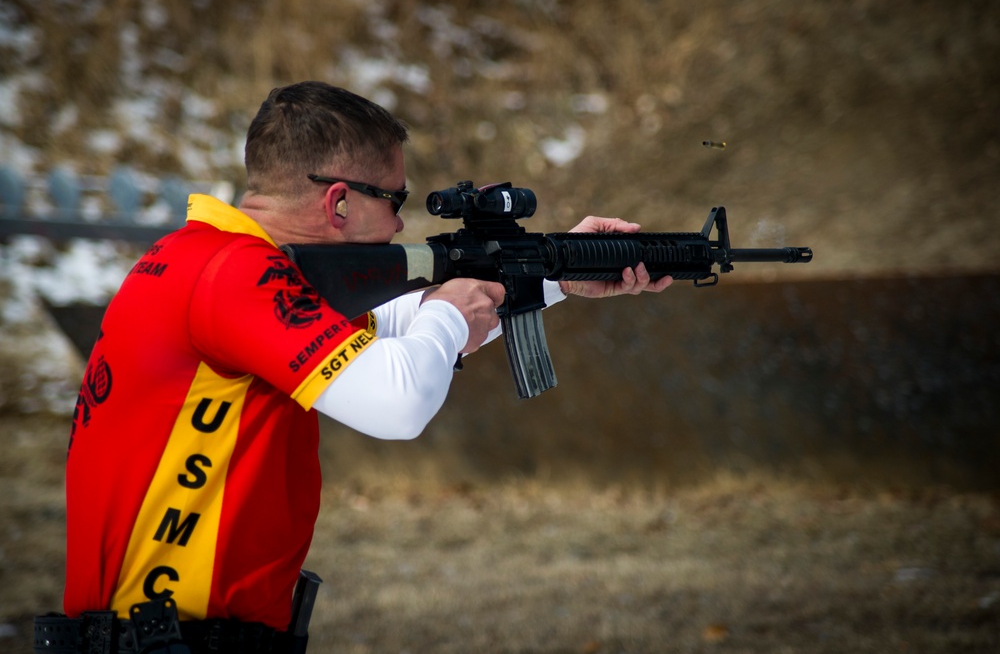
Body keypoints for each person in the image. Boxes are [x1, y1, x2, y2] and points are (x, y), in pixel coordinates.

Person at [48, 81, 672, 653]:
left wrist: (553, 272)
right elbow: (398, 401)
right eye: (394, 198)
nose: (402, 222)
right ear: (339, 203)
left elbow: (397, 330)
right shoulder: (234, 274)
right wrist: (452, 307)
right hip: (166, 639)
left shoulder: (208, 259)